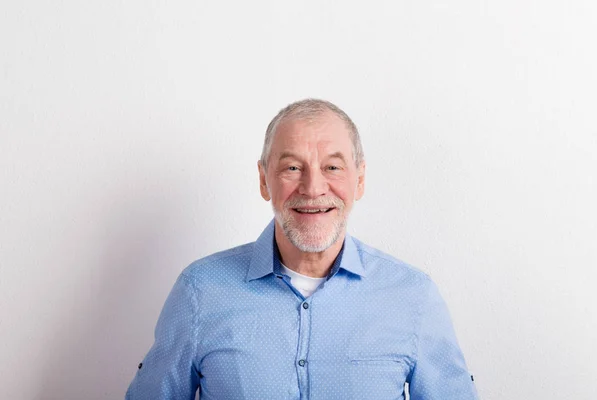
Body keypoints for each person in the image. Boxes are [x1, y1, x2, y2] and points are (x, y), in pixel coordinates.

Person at [125, 99, 478, 399]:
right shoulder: (199, 291)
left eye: (332, 167)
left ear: (360, 179)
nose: (313, 187)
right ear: (264, 180)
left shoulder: (412, 297)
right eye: (293, 167)